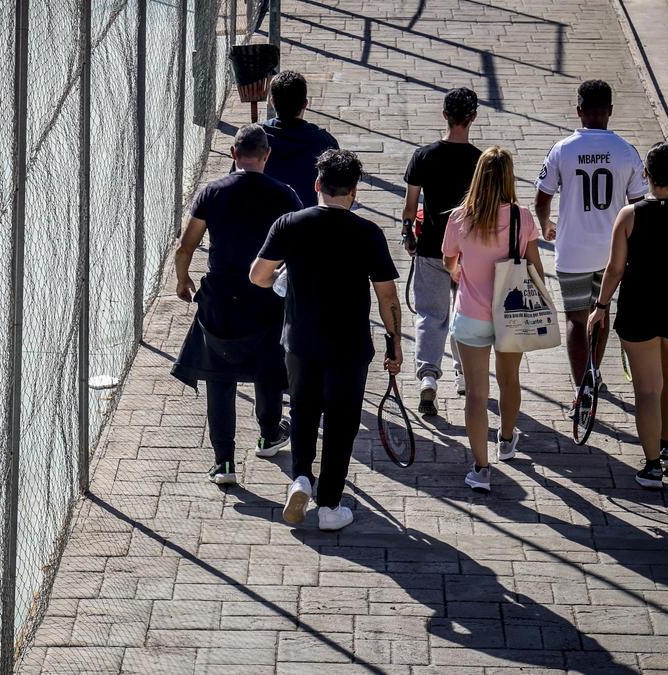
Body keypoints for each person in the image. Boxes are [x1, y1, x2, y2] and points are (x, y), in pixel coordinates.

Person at [250, 149, 402, 531]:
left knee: (303, 409)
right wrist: (394, 342)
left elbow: (257, 275)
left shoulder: (289, 224)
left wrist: (280, 279)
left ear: (317, 185)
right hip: (349, 345)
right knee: (342, 420)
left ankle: (301, 478)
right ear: (354, 191)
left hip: (301, 340)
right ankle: (331, 506)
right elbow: (387, 296)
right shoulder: (368, 233)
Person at [170, 125, 302, 485]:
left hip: (219, 295)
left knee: (219, 374)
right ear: (266, 155)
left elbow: (186, 246)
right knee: (268, 366)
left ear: (232, 152)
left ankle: (224, 461)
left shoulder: (212, 192)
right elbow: (297, 250)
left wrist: (183, 280)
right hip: (265, 292)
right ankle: (269, 434)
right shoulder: (284, 195)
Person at [589, 143, 668, 489]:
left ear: (645, 174)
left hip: (639, 309)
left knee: (647, 390)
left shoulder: (629, 215)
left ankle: (651, 466)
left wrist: (600, 308)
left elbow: (615, 269)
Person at [535, 80, 647, 413]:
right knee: (601, 313)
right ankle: (594, 373)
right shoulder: (627, 151)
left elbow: (542, 198)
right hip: (612, 253)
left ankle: (580, 387)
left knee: (574, 318)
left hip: (571, 252)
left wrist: (546, 225)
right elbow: (638, 206)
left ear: (579, 110)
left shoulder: (562, 149)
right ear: (610, 111)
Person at [442, 147, 543, 493]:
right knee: (509, 380)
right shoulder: (522, 218)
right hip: (511, 312)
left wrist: (463, 274)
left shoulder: (459, 218)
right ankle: (507, 438)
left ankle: (481, 468)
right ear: (509, 178)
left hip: (470, 313)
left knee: (475, 393)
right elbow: (535, 268)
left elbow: (449, 261)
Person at [402, 87, 483, 415]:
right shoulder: (481, 161)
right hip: (469, 252)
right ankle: (463, 374)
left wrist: (408, 233)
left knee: (430, 314)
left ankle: (428, 378)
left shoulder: (424, 156)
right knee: (465, 313)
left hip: (433, 246)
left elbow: (410, 206)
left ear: (444, 115)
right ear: (473, 117)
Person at [259, 70, 340, 208]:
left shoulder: (256, 138)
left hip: (265, 221)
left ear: (272, 102)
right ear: (305, 104)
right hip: (308, 224)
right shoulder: (325, 143)